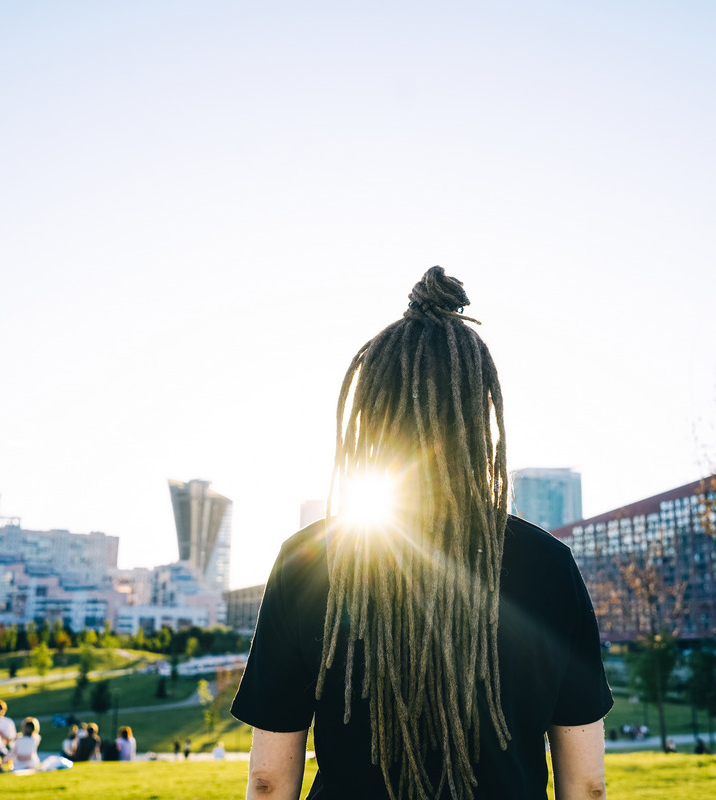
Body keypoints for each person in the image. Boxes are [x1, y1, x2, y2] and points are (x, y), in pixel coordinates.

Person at [232, 267, 614, 800]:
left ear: (372, 412)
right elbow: (588, 784)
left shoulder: (309, 558)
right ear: (481, 412)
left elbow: (269, 781)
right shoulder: (549, 563)